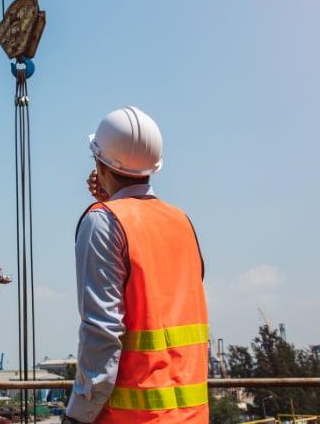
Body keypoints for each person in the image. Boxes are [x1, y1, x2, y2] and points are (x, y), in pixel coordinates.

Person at [62, 106, 209, 423]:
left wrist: (78, 415)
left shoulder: (102, 223)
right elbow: (161, 299)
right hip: (191, 415)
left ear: (100, 164)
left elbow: (102, 332)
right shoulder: (182, 221)